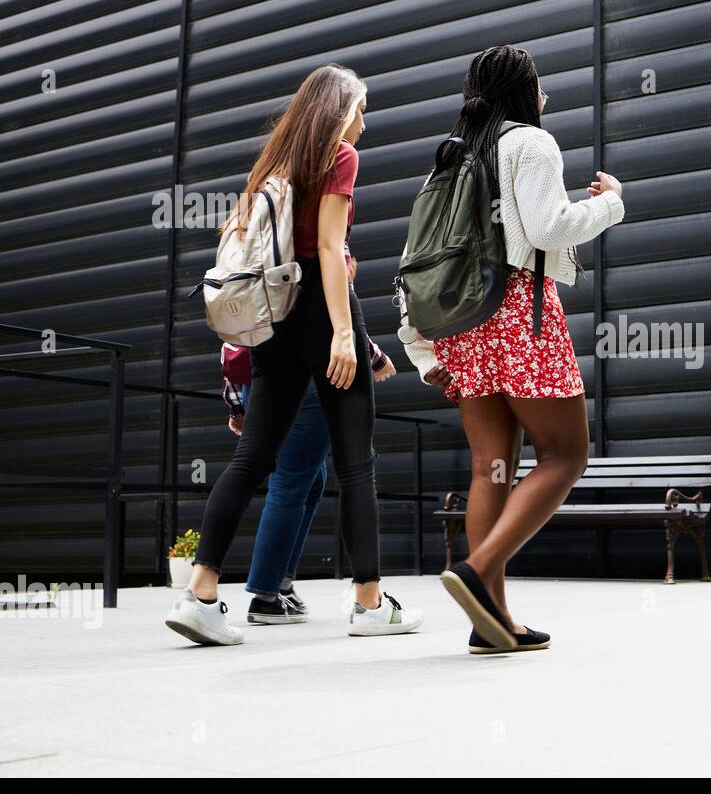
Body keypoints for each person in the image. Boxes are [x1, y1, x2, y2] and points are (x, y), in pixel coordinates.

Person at [166, 64, 422, 645]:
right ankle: (370, 604)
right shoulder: (340, 157)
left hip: (271, 315)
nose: (365, 119)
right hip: (319, 312)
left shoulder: (275, 163)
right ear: (338, 110)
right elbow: (330, 250)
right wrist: (340, 334)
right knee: (357, 463)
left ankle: (201, 593)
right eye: (361, 106)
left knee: (251, 459)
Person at [403, 45, 625, 654]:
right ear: (524, 91)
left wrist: (425, 349)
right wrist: (610, 204)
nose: (545, 96)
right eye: (541, 85)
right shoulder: (531, 142)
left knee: (490, 468)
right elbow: (550, 229)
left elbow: (417, 259)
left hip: (461, 323)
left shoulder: (449, 155)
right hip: (518, 313)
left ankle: (491, 621)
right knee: (565, 455)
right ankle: (479, 570)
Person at [220, 249, 396, 626]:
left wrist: (237, 406)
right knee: (291, 482)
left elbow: (237, 346)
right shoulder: (320, 255)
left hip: (259, 376)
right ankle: (265, 594)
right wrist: (376, 357)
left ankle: (279, 583)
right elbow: (326, 326)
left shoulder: (260, 260)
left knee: (309, 479)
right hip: (307, 384)